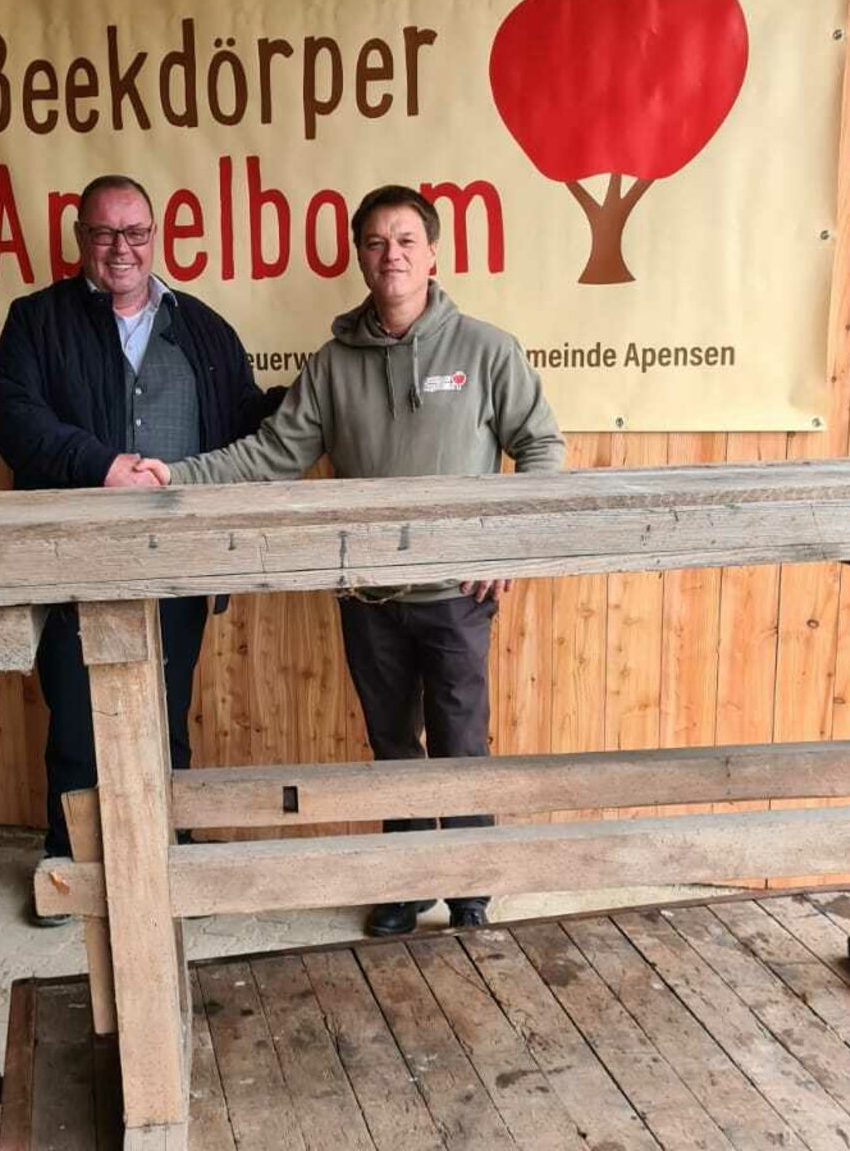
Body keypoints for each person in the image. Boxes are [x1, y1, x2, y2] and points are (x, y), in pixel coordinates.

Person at [144, 183, 566, 938]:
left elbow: (542, 447)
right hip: (368, 598)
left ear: (434, 254)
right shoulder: (334, 364)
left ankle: (471, 888)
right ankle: (403, 883)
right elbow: (272, 454)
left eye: (406, 240)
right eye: (376, 243)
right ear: (361, 260)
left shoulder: (486, 349)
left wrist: (509, 542)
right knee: (393, 745)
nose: (391, 254)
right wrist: (178, 475)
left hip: (455, 596)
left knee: (462, 743)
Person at [0, 172, 281, 919]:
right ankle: (70, 873)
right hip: (74, 560)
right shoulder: (36, 321)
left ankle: (162, 863)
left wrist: (321, 398)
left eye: (136, 232)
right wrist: (99, 465)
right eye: (105, 233)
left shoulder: (205, 329)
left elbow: (249, 423)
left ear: (157, 237)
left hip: (176, 565)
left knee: (165, 715)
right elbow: (11, 414)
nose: (122, 248)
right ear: (80, 239)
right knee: (79, 721)